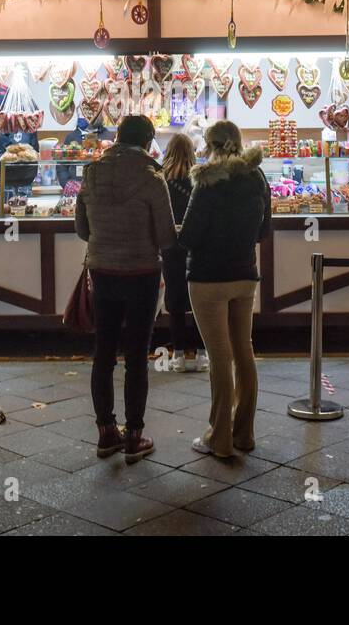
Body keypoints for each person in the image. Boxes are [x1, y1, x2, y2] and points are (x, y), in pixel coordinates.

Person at [75, 115, 176, 463]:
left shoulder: (92, 172)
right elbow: (166, 237)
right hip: (142, 273)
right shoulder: (152, 176)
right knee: (136, 355)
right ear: (148, 142)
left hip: (102, 271)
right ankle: (134, 436)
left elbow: (81, 229)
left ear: (117, 137)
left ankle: (106, 434)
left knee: (103, 352)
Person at [178, 120, 271, 458]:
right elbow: (264, 230)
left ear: (210, 145)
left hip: (208, 279)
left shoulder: (206, 182)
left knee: (220, 358)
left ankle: (219, 439)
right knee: (244, 352)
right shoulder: (257, 178)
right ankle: (243, 433)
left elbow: (188, 236)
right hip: (245, 275)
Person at [159, 135, 206, 372]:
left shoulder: (162, 179)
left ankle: (178, 355)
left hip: (171, 245)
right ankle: (201, 354)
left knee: (175, 301)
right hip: (197, 244)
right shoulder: (199, 178)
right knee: (198, 299)